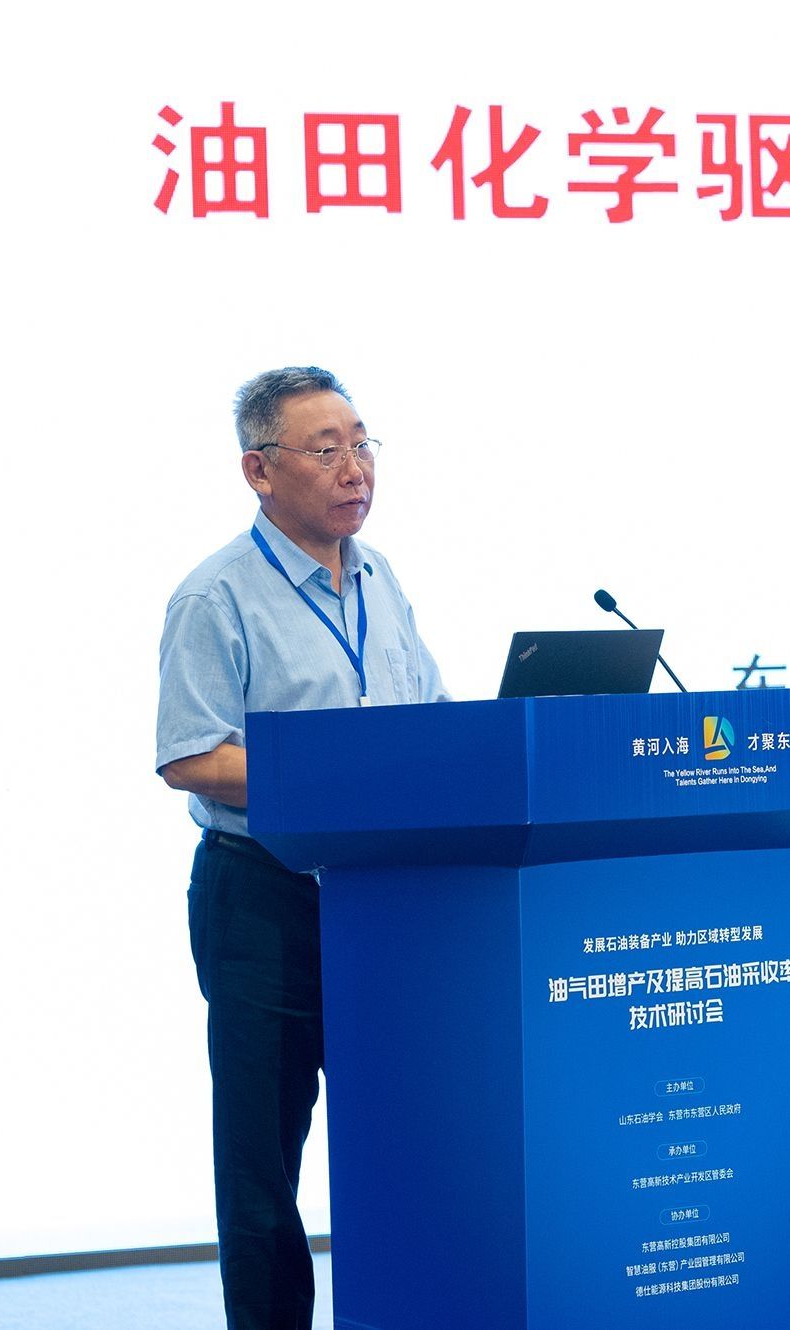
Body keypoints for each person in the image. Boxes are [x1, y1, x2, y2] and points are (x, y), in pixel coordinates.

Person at [156, 366, 448, 1330]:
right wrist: (330, 775)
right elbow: (190, 756)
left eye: (363, 445)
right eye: (326, 451)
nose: (355, 469)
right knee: (262, 1164)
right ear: (259, 470)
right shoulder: (215, 596)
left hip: (384, 901)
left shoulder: (380, 577)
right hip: (264, 900)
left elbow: (427, 715)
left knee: (404, 1137)